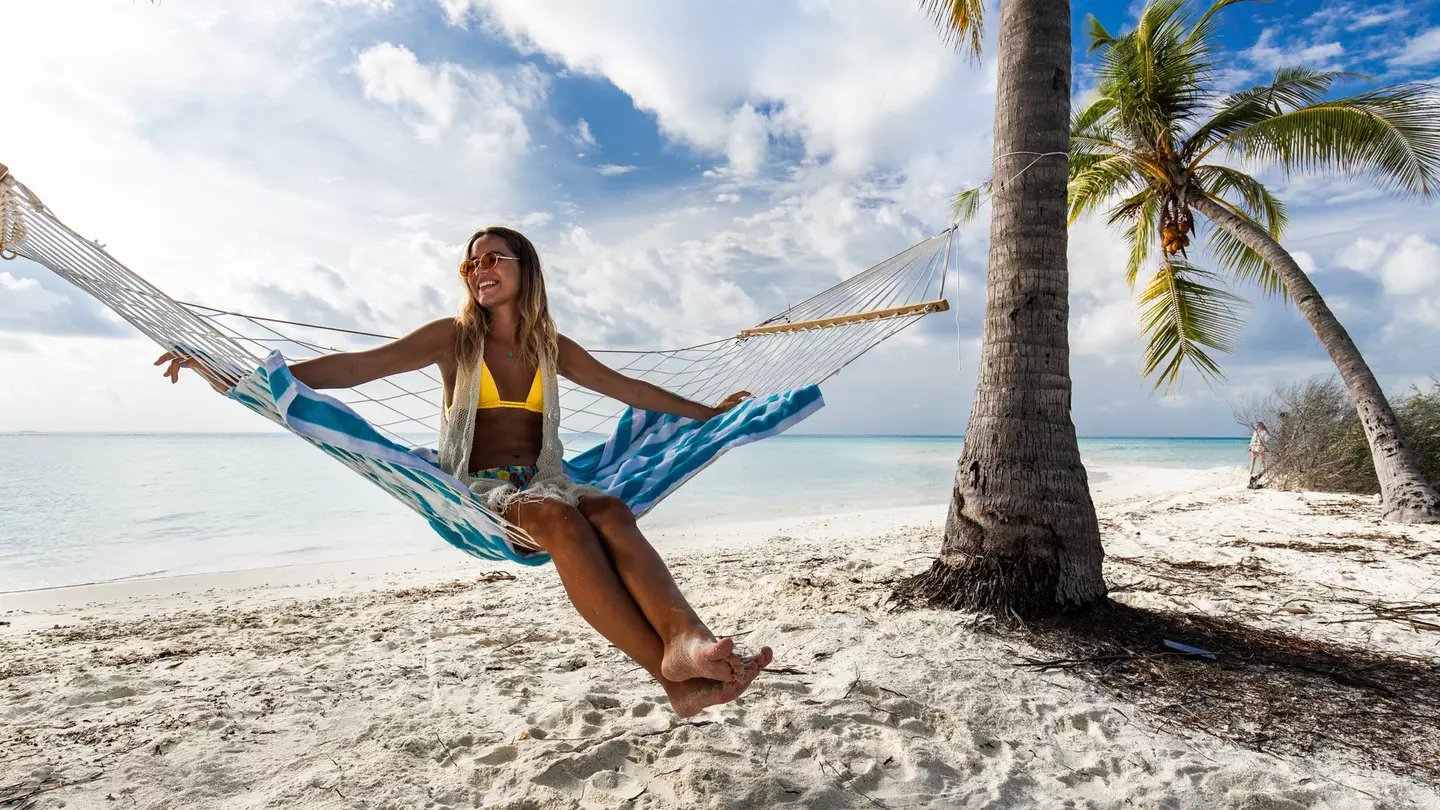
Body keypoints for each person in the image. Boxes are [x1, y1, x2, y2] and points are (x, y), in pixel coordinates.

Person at [156, 226, 772, 717]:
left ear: (525, 270)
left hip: (549, 479)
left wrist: (710, 413)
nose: (480, 270)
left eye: (494, 259)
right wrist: (242, 378)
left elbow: (628, 388)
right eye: (471, 264)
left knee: (609, 509)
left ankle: (687, 642)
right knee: (561, 523)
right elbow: (353, 370)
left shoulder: (551, 346)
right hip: (480, 491)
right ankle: (666, 673)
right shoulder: (453, 339)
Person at [1248, 420, 1271, 488]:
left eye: (1257, 425)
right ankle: (1251, 472)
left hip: (1260, 446)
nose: (1256, 427)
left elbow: (1267, 439)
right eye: (1256, 426)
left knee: (1262, 459)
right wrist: (1250, 446)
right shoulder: (1255, 432)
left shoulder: (1264, 432)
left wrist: (1263, 445)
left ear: (1261, 426)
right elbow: (1252, 439)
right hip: (1254, 446)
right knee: (1253, 460)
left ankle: (1264, 471)